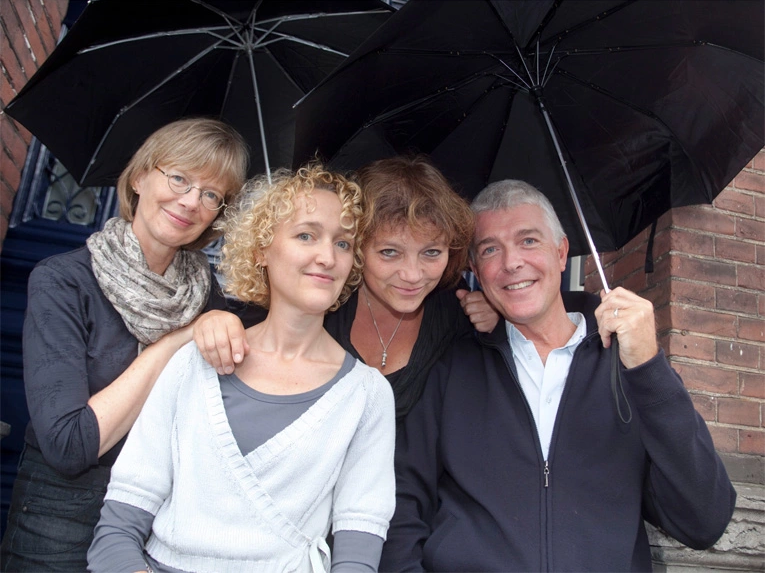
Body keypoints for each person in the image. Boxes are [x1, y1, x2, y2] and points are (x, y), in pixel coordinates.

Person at [380, 179, 737, 572]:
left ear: (562, 252)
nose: (511, 262)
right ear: (476, 271)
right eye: (490, 249)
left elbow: (704, 520)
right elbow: (402, 504)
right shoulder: (451, 366)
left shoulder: (626, 368)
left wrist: (649, 368)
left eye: (528, 240)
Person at [87, 164, 396, 573]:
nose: (327, 257)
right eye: (306, 235)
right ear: (261, 249)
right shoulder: (193, 364)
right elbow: (117, 531)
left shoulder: (365, 395)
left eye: (343, 243)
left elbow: (358, 552)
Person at [0, 118, 249, 572]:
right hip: (58, 520)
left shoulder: (209, 301)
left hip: (160, 518)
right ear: (139, 177)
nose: (191, 201)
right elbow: (69, 444)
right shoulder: (64, 281)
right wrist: (174, 342)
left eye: (212, 195)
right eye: (179, 178)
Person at [195, 155, 498, 423]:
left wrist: (499, 322)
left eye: (431, 253)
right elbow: (257, 327)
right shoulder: (321, 297)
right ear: (356, 248)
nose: (412, 275)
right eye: (389, 252)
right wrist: (214, 322)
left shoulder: (458, 312)